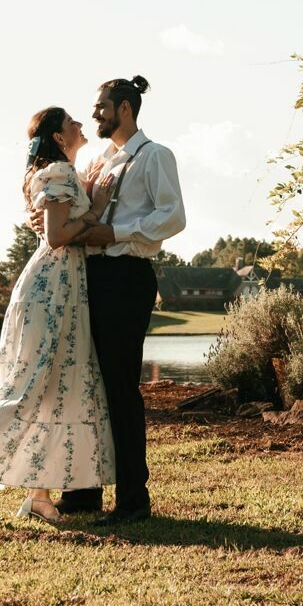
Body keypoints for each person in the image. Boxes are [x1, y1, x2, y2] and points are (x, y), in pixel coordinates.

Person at [0, 106, 116, 524]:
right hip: (51, 292)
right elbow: (57, 235)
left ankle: (39, 495)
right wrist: (96, 209)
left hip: (64, 292)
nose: (81, 125)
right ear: (57, 136)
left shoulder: (62, 172)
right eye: (71, 122)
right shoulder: (58, 174)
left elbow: (57, 223)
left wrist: (87, 202)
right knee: (30, 386)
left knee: (56, 390)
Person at [54, 75, 186, 524]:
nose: (94, 115)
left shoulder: (155, 156)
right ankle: (83, 492)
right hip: (88, 275)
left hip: (127, 276)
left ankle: (133, 500)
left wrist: (118, 232)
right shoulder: (96, 159)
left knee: (119, 388)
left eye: (101, 107)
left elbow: (173, 217)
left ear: (125, 109)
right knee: (83, 382)